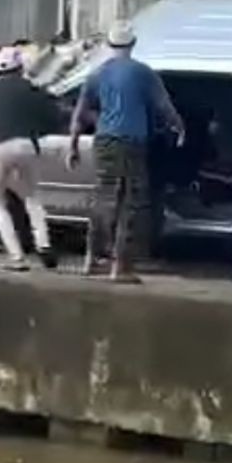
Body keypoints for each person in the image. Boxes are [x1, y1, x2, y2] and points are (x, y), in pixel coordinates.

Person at [68, 21, 184, 283]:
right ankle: (120, 266)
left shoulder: (97, 74)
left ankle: (91, 259)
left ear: (109, 44)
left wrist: (73, 145)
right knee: (129, 204)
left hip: (105, 140)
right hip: (132, 142)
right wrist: (180, 127)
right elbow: (164, 107)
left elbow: (80, 111)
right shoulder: (143, 73)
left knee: (103, 197)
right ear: (132, 44)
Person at [0, 47, 59, 271]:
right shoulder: (31, 88)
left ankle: (16, 257)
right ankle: (44, 244)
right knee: (32, 196)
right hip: (27, 146)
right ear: (19, 67)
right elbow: (52, 114)